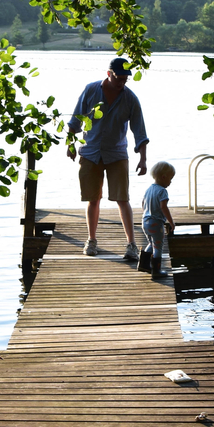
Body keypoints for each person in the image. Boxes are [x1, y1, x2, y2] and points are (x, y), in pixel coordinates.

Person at [66, 57, 149, 259]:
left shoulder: (130, 98)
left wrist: (143, 159)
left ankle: (131, 245)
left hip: (117, 154)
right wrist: (69, 144)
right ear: (109, 73)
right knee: (93, 199)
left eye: (125, 79)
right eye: (119, 78)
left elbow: (140, 131)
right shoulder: (91, 90)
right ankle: (91, 241)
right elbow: (75, 119)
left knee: (123, 199)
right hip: (90, 152)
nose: (122, 82)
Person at [141, 161, 176, 277]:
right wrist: (171, 222)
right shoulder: (162, 191)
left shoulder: (149, 189)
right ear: (163, 177)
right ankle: (157, 271)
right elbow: (163, 207)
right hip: (156, 222)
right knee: (158, 246)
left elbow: (143, 203)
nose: (171, 182)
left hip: (145, 221)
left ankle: (143, 264)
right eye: (170, 179)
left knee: (151, 242)